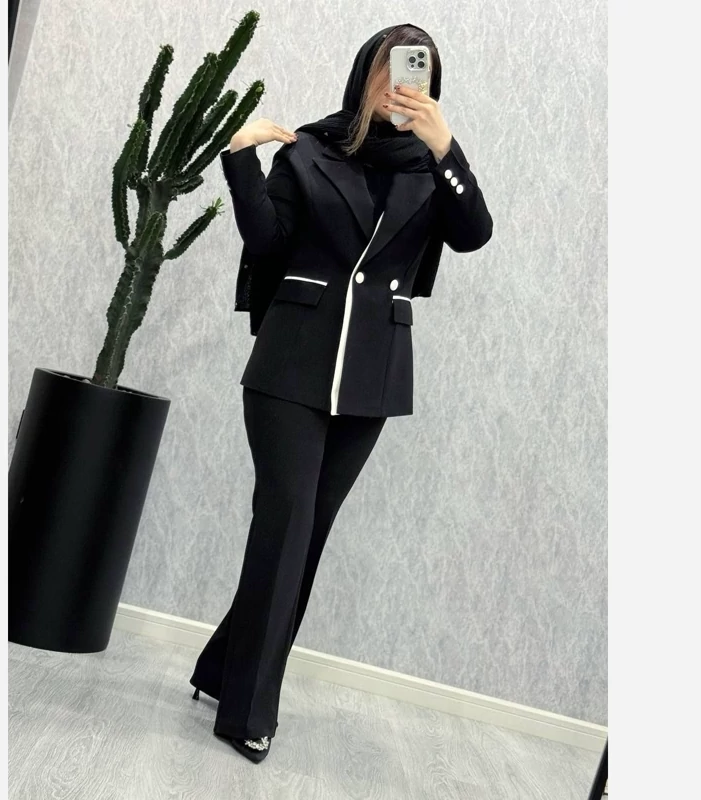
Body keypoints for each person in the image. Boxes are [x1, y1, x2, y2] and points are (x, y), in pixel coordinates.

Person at [189, 22, 493, 763]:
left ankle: (222, 671)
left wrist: (447, 148)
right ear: (365, 75)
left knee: (306, 536)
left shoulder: (433, 170)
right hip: (290, 368)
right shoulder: (310, 150)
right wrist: (240, 160)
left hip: (370, 380)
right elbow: (267, 243)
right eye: (390, 69)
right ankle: (247, 712)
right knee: (286, 524)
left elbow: (474, 234)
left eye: (417, 73)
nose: (402, 84)